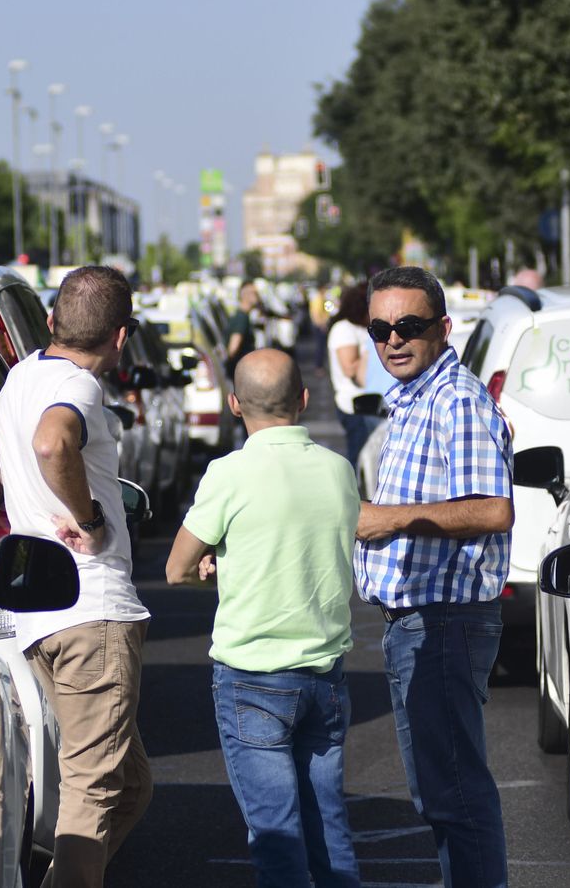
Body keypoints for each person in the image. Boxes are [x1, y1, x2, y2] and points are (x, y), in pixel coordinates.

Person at [0, 265, 151, 888]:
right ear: (121, 337)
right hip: (91, 610)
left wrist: (2, 506)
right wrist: (90, 518)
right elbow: (51, 444)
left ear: (49, 321)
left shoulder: (21, 377)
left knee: (129, 785)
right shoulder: (79, 386)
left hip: (40, 614)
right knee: (92, 796)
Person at [165, 349, 361, 888]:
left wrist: (217, 555)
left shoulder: (228, 473)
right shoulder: (338, 470)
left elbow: (177, 566)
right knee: (329, 831)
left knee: (276, 837)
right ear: (303, 399)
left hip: (252, 679)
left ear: (234, 405)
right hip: (324, 677)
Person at [355, 265, 513, 888]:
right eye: (380, 328)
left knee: (454, 794)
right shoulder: (417, 397)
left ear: (444, 328)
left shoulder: (456, 400)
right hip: (421, 620)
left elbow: (492, 509)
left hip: (445, 620)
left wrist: (390, 521)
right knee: (440, 792)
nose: (393, 339)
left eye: (410, 326)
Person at [326, 284, 384, 463]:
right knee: (360, 458)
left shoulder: (361, 328)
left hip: (374, 403)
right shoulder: (344, 329)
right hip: (355, 405)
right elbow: (350, 369)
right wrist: (369, 351)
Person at [225, 282, 260, 378]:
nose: (258, 296)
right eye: (255, 293)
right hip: (240, 374)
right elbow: (233, 348)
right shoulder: (242, 318)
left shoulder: (242, 315)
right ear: (246, 295)